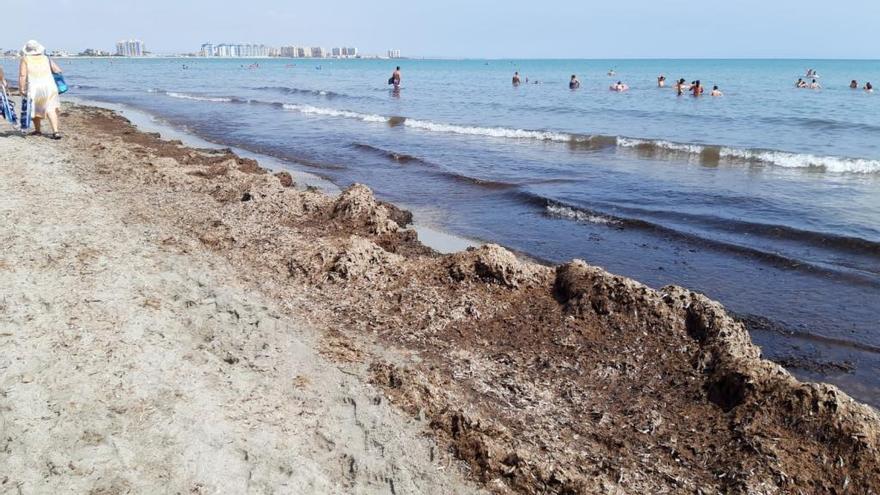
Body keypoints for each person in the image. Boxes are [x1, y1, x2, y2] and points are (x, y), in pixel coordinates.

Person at [18, 40, 62, 139]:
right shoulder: (46, 58)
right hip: (49, 86)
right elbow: (58, 70)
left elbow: (22, 75)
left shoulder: (25, 59)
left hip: (35, 87)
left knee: (35, 108)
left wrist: (21, 88)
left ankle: (38, 131)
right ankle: (56, 132)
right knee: (51, 109)